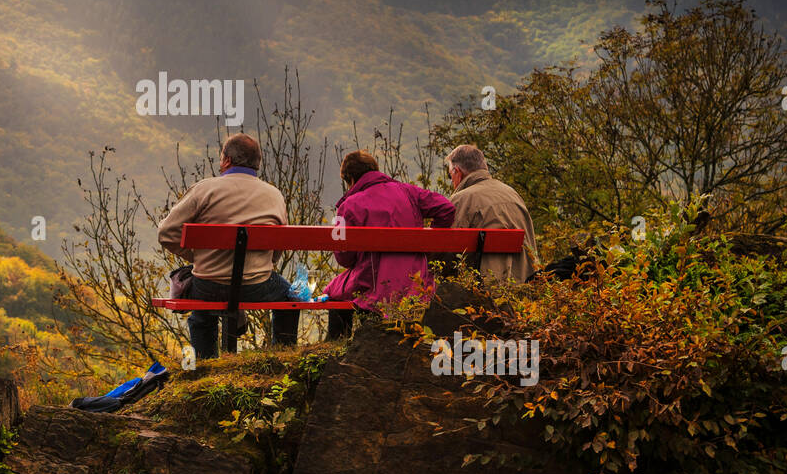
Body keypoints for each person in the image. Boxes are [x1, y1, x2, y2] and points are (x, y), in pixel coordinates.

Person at [157, 133, 294, 359]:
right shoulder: (274, 195)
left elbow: (166, 232)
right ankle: (283, 356)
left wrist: (197, 257)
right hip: (256, 285)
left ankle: (205, 364)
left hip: (209, 283)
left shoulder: (204, 189)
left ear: (227, 160)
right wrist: (260, 264)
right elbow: (278, 247)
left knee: (201, 308)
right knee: (289, 296)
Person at [323, 151, 456, 338]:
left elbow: (344, 257)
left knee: (333, 292)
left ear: (351, 179)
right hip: (416, 282)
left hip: (374, 285)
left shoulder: (348, 206)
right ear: (375, 170)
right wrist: (428, 246)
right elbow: (446, 208)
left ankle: (336, 342)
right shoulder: (409, 191)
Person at [444, 144, 539, 283]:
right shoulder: (512, 193)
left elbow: (448, 255)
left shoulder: (461, 200)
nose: (451, 180)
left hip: (487, 290)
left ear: (457, 171)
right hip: (526, 287)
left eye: (449, 175)